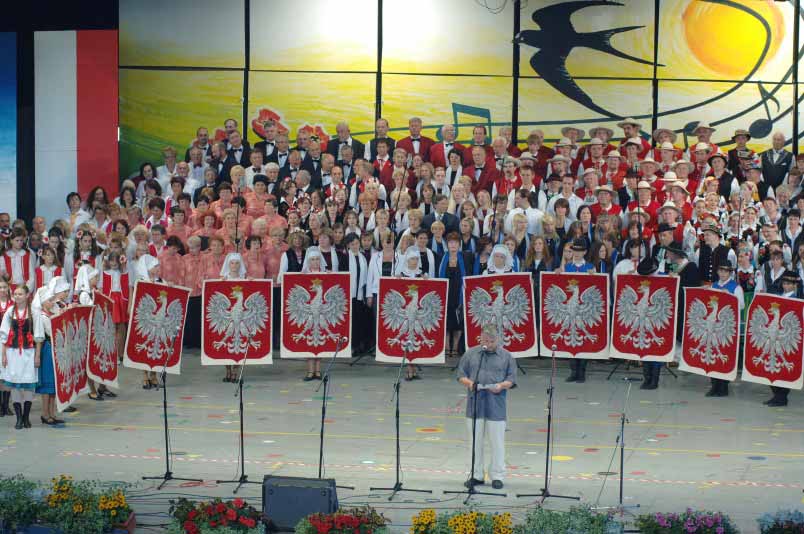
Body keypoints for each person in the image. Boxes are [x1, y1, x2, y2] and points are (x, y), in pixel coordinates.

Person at [456, 323, 516, 490]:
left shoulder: (506, 357)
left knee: (497, 443)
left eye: (491, 341)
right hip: (475, 405)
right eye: (484, 340)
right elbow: (461, 375)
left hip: (496, 406)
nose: (487, 344)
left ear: (498, 340)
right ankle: (476, 475)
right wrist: (470, 383)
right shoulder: (471, 354)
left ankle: (497, 475)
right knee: (475, 442)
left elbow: (511, 379)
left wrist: (501, 385)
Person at [0, 284, 42, 430]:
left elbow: (38, 336)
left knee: (29, 384)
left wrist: (37, 356)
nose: (17, 297)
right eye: (15, 294)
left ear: (27, 295)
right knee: (14, 384)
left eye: (20, 294)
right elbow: (4, 336)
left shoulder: (34, 312)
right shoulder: (10, 312)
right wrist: (3, 355)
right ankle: (18, 418)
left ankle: (26, 417)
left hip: (29, 353)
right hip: (12, 353)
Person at [32, 276, 71, 425]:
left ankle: (52, 413)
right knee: (47, 385)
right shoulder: (42, 317)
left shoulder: (51, 314)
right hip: (48, 350)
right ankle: (45, 413)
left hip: (55, 348)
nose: (52, 302)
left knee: (54, 384)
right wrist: (37, 356)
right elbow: (45, 334)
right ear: (43, 303)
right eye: (49, 300)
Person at [765, 270, 801, 407]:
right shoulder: (778, 298)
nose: (786, 286)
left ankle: (782, 397)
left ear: (794, 285)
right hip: (775, 337)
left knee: (784, 369)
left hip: (786, 339)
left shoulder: (798, 300)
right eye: (784, 283)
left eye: (789, 284)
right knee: (772, 366)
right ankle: (776, 395)